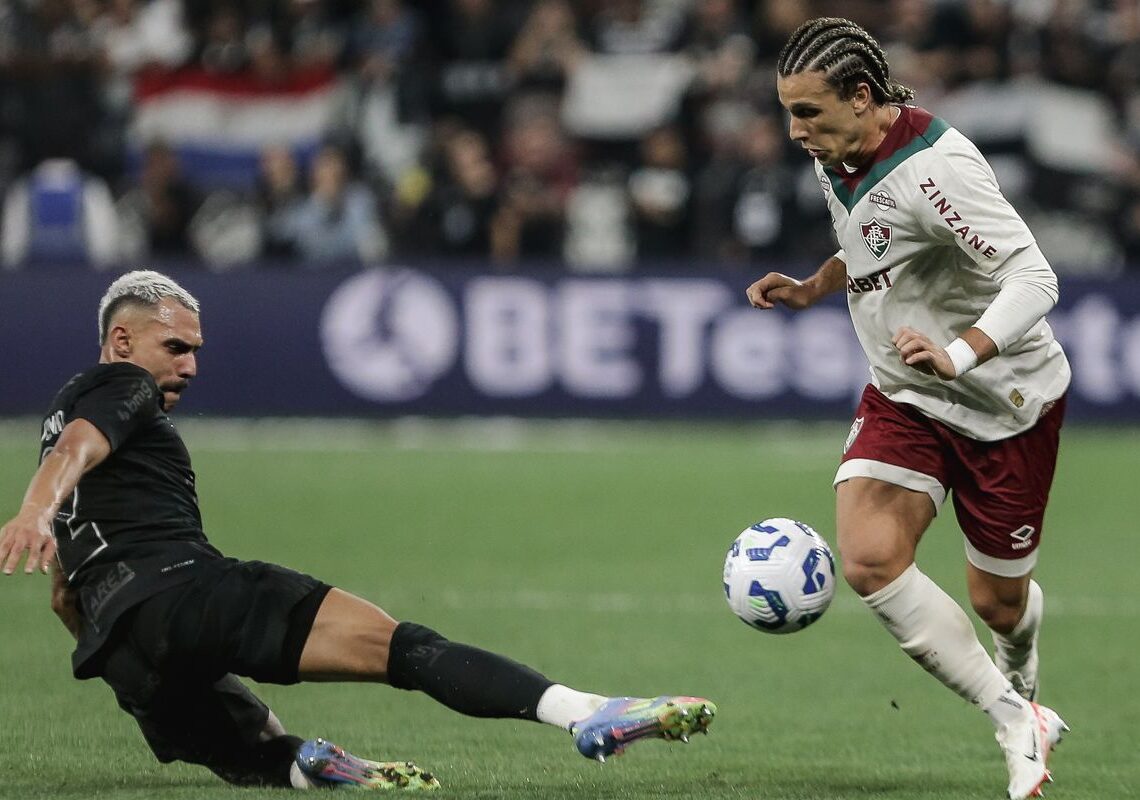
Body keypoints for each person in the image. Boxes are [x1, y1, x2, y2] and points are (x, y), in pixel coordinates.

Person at [0, 270, 716, 790]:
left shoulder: (60, 421)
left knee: (250, 751)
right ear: (122, 340)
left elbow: (65, 593)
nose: (189, 367)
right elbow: (76, 453)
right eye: (175, 347)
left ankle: (311, 769)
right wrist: (33, 511)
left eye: (196, 351)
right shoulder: (121, 386)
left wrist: (119, 653)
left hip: (117, 643)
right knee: (407, 649)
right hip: (187, 593)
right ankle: (585, 712)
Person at [746, 17, 1070, 800]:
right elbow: (871, 243)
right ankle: (1014, 716)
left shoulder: (940, 169)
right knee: (867, 559)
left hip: (1003, 402)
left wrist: (959, 354)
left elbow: (1035, 278)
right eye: (788, 113)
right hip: (906, 391)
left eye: (808, 113)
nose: (796, 132)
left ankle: (1020, 667)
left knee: (999, 604)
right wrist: (815, 287)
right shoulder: (839, 152)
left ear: (862, 96)